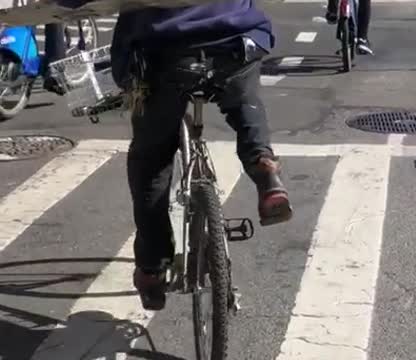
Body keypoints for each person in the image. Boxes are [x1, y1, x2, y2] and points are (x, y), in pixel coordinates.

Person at [58, 0, 293, 310]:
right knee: (244, 103)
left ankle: (152, 269)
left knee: (151, 159)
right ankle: (265, 168)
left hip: (164, 49)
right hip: (236, 40)